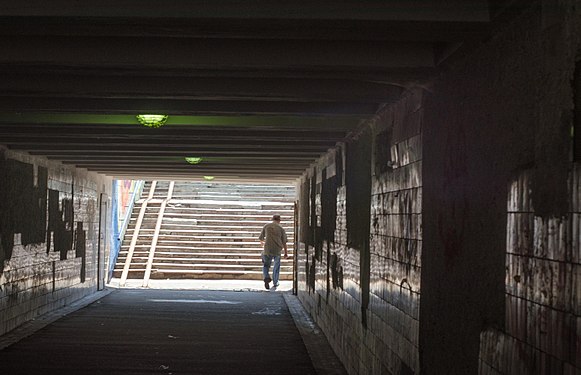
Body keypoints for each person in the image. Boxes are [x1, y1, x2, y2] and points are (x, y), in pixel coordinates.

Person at [258, 214, 288, 290]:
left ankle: (266, 277)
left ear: (272, 219)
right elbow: (284, 242)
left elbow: (261, 238)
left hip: (267, 249)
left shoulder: (266, 226)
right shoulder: (281, 229)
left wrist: (263, 245)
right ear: (279, 220)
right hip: (277, 250)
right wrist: (285, 253)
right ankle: (275, 282)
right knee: (276, 266)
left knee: (266, 266)